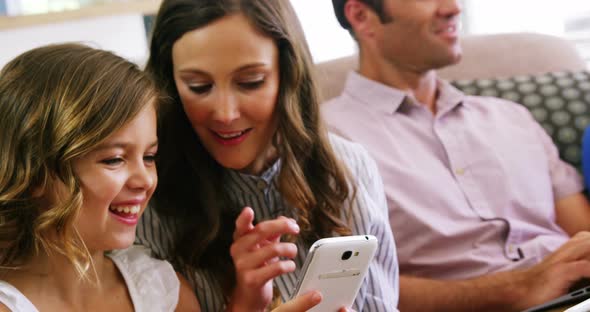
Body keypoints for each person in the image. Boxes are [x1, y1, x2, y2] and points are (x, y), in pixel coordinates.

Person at [324, 0, 590, 311]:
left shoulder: (512, 116)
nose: (453, 7)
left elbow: (580, 229)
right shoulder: (326, 140)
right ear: (361, 16)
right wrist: (518, 287)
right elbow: (354, 287)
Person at [135, 0, 399, 311]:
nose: (225, 113)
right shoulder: (144, 198)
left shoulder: (349, 166)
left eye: (250, 82)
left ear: (289, 75)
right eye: (199, 86)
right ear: (171, 85)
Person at [0, 43, 198, 311]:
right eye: (114, 159)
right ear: (34, 173)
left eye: (149, 157)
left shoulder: (163, 292)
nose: (145, 180)